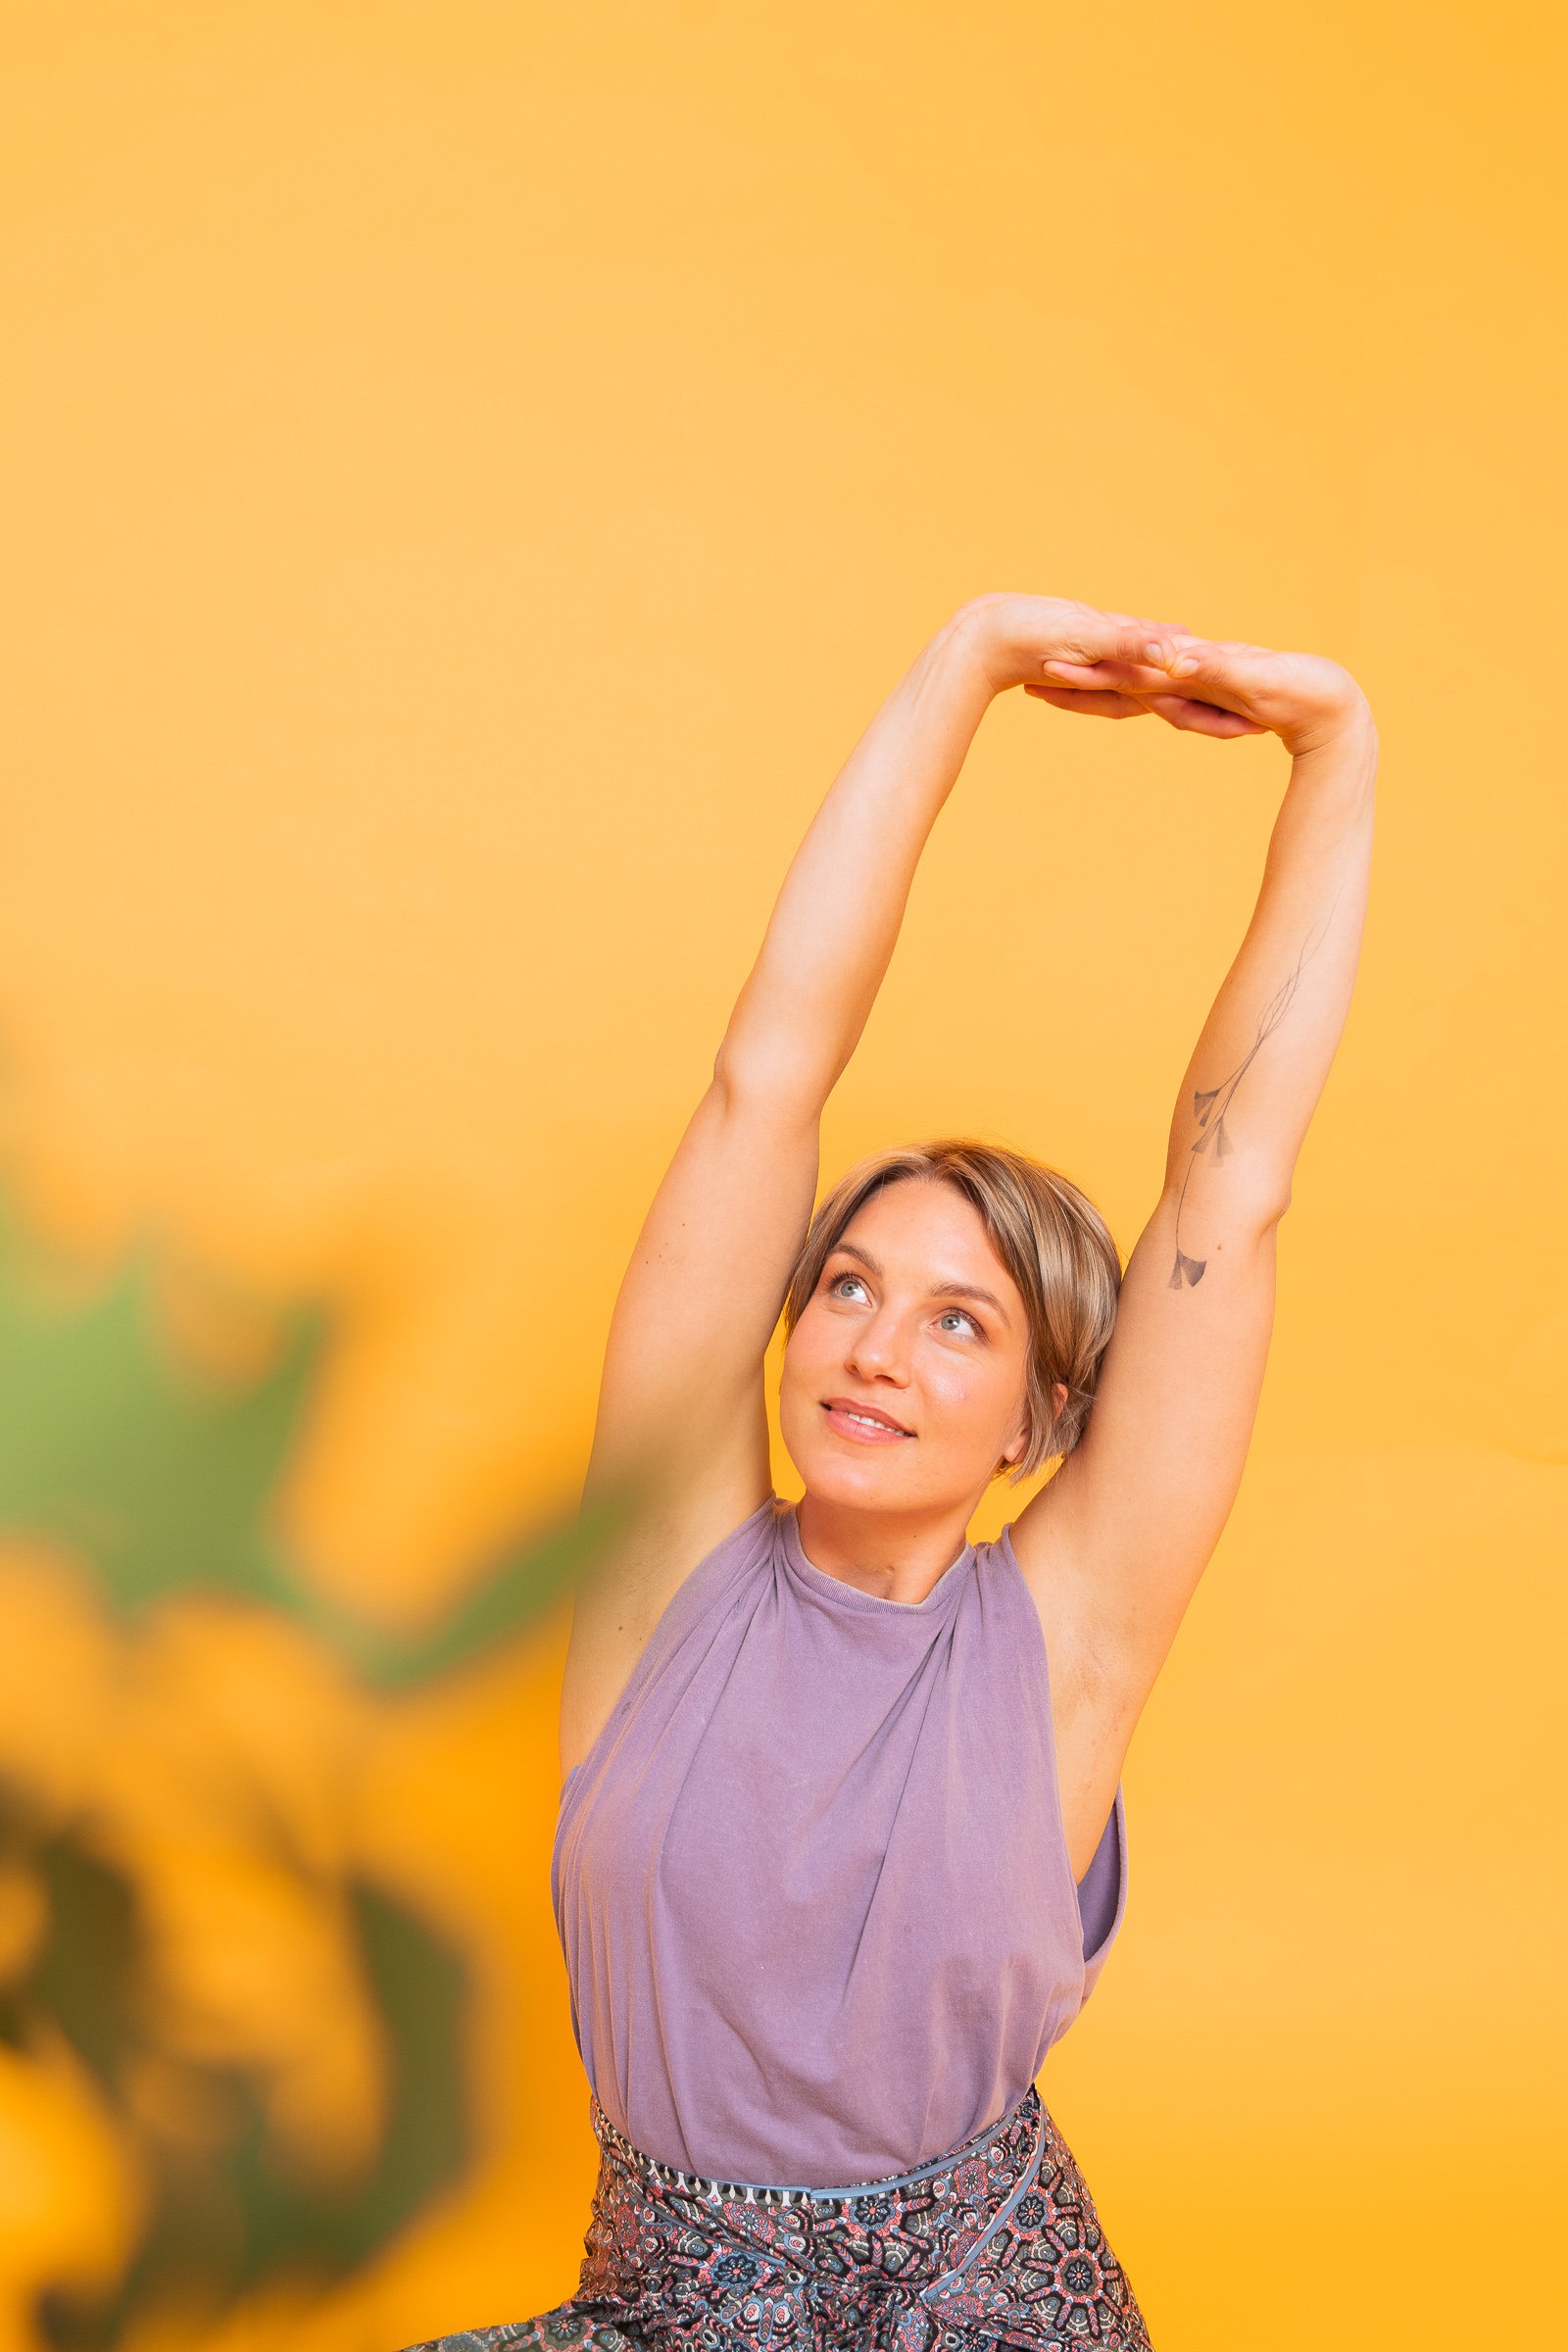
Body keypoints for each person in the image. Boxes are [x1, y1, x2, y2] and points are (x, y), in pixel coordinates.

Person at [401, 592, 1378, 2351]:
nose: (871, 1343)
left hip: (996, 2305)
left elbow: (1233, 1173)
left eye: (956, 1323)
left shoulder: (1063, 1648)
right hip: (676, 2314)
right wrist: (970, 660)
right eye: (847, 1287)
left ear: (1037, 1420)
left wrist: (1334, 747)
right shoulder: (664, 1571)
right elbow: (766, 1078)